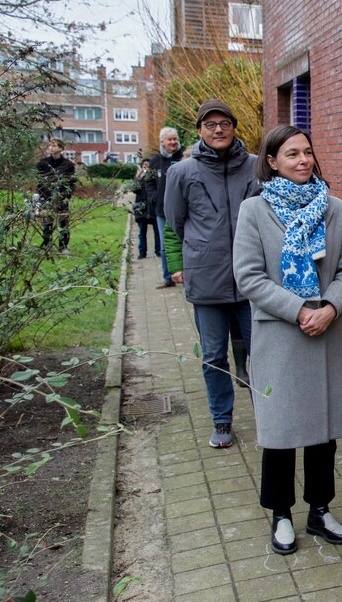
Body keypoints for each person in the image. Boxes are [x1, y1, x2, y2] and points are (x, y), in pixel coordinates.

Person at [232, 124, 342, 555]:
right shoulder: (254, 211)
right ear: (271, 162)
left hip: (326, 332)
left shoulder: (335, 208)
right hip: (282, 334)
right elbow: (249, 277)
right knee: (280, 431)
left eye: (307, 152)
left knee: (324, 431)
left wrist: (330, 308)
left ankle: (320, 510)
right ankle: (281, 513)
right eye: (292, 154)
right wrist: (300, 310)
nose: (303, 160)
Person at [163, 99, 258, 449]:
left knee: (262, 353)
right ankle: (222, 420)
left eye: (224, 124)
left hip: (252, 279)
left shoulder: (256, 166)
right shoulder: (182, 172)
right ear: (200, 130)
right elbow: (175, 222)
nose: (218, 130)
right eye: (210, 124)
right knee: (214, 356)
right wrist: (196, 253)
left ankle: (269, 417)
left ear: (234, 128)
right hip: (207, 280)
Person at [150, 128, 185, 288]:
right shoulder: (155, 161)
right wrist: (153, 197)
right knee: (165, 245)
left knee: (183, 242)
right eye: (169, 139)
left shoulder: (183, 158)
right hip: (161, 210)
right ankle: (168, 277)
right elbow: (149, 182)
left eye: (174, 139)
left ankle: (184, 273)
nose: (173, 142)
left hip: (181, 208)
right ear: (162, 142)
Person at [36, 138, 77, 254]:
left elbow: (71, 183)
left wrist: (66, 196)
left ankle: (63, 246)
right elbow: (39, 182)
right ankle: (47, 245)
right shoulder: (43, 163)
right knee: (47, 222)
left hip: (62, 197)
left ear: (61, 148)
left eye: (54, 146)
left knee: (63, 222)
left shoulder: (68, 165)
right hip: (47, 197)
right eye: (49, 145)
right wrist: (42, 196)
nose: (51, 148)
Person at [132, 160, 160, 259]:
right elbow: (134, 189)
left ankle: (158, 251)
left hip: (153, 208)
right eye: (144, 165)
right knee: (142, 232)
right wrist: (138, 177)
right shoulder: (139, 178)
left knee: (157, 231)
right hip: (142, 208)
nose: (146, 167)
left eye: (148, 165)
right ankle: (142, 252)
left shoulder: (155, 177)